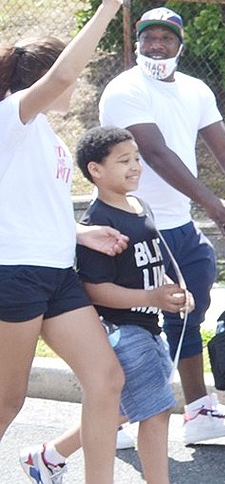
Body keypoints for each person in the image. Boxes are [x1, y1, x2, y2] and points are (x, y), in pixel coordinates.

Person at [98, 7, 225, 444]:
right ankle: (122, 417)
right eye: (148, 38)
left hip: (178, 223)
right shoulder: (125, 89)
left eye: (165, 38)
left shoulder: (195, 90)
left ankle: (197, 410)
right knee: (137, 320)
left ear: (181, 45)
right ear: (138, 43)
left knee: (189, 309)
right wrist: (213, 203)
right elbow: (155, 152)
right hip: (132, 223)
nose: (156, 45)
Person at [1, 0, 127, 484]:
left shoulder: (46, 134)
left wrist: (79, 232)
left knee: (107, 379)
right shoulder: (10, 115)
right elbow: (62, 76)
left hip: (57, 272)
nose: (78, 79)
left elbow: (27, 205)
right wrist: (105, 8)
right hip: (16, 275)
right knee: (8, 399)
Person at [21, 126, 195, 484]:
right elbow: (95, 290)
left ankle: (48, 456)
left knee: (118, 407)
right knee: (157, 411)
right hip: (124, 330)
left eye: (136, 158)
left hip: (150, 327)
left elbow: (150, 267)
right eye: (123, 161)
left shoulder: (139, 206)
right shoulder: (99, 222)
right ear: (95, 170)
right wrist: (150, 298)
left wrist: (169, 291)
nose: (135, 166)